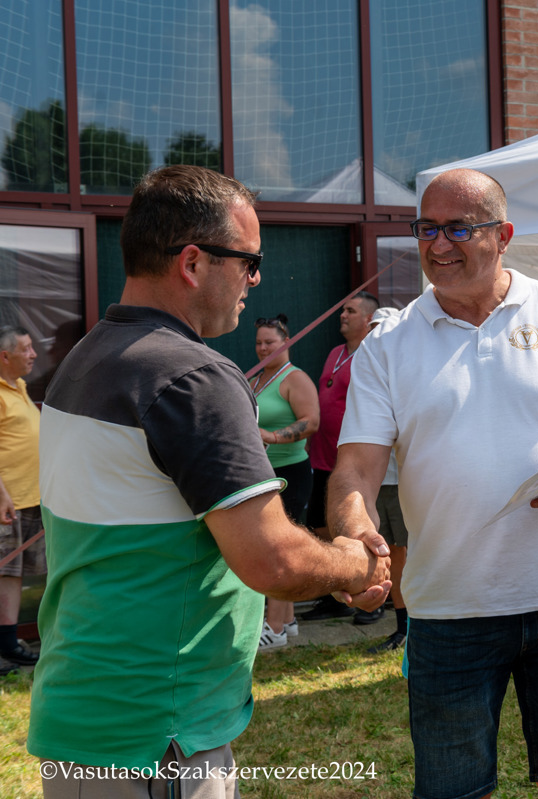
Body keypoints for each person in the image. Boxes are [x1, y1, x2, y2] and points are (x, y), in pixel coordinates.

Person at [29, 164, 391, 797]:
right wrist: (356, 566)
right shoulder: (194, 377)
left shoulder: (86, 358)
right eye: (249, 261)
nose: (256, 279)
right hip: (158, 730)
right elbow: (272, 559)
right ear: (193, 263)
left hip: (90, 708)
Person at [327, 168, 538, 799]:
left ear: (503, 235)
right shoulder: (388, 344)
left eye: (457, 228)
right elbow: (356, 469)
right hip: (448, 608)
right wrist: (353, 534)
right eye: (426, 229)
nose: (437, 244)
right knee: (452, 790)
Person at [301, 290, 380, 622]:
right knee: (321, 526)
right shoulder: (335, 352)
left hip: (351, 460)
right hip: (321, 455)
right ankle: (335, 592)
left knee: (356, 527)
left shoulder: (373, 353)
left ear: (369, 319)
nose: (342, 315)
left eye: (350, 311)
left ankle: (370, 593)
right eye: (342, 310)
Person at [250, 313, 321, 650]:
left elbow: (311, 422)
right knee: (275, 546)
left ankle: (274, 629)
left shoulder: (295, 378)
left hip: (290, 473)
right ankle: (288, 620)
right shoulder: (256, 379)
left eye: (270, 342)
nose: (263, 348)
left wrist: (274, 436)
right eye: (259, 343)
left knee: (279, 549)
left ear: (286, 342)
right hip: (264, 474)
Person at [363, 305, 411, 653]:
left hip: (404, 484)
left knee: (411, 553)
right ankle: (403, 627)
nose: (377, 336)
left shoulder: (407, 370)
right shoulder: (370, 371)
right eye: (372, 330)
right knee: (392, 553)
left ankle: (416, 626)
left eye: (382, 329)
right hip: (379, 482)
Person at [0, 325, 46, 673]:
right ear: (5, 356)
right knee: (4, 571)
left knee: (13, 574)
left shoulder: (20, 387)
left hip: (30, 498)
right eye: (26, 348)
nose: (33, 354)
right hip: (7, 501)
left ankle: (8, 644)